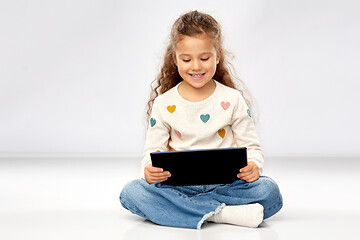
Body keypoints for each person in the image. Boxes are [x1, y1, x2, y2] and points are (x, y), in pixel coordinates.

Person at [120, 10, 283, 229]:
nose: (196, 67)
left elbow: (251, 146)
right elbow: (152, 152)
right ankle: (221, 214)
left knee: (269, 191)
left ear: (218, 55)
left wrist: (254, 165)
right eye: (186, 59)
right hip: (179, 187)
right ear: (175, 59)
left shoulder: (232, 99)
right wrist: (149, 171)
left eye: (204, 58)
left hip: (227, 184)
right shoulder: (163, 103)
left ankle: (188, 211)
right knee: (132, 193)